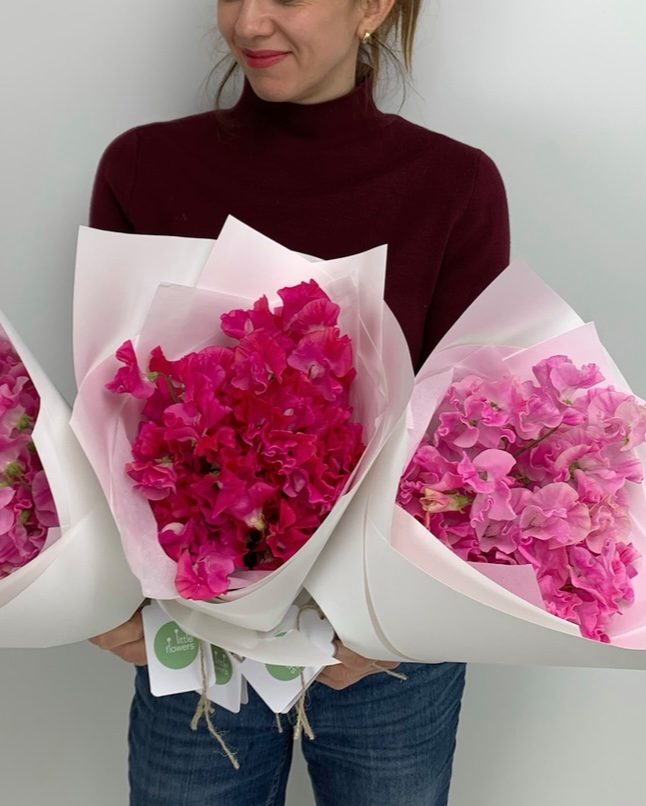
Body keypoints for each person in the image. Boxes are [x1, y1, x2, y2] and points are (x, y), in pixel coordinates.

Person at [87, 1, 510, 803]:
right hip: (196, 629)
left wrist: (397, 621)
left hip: (384, 655)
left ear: (375, 6)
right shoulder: (144, 167)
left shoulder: (453, 186)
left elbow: (467, 441)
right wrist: (98, 587)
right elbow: (114, 413)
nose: (249, 23)